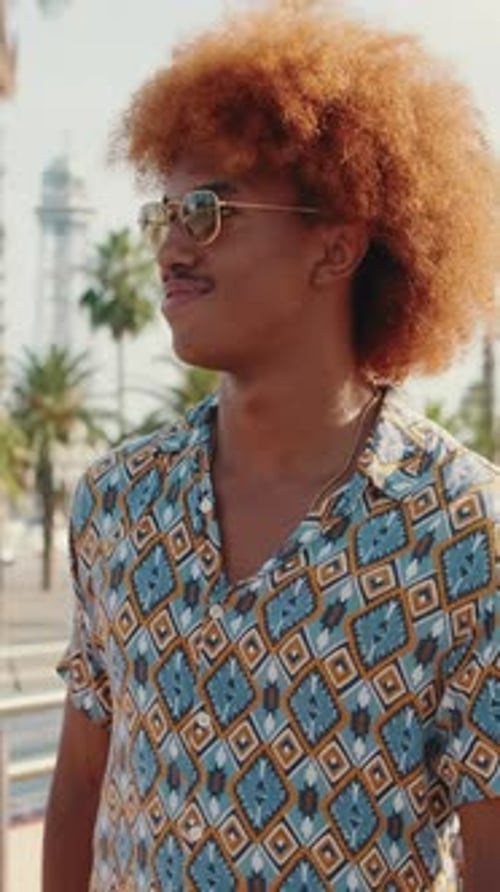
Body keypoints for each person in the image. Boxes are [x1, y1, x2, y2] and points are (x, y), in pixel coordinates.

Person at [43, 2, 499, 890]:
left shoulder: (465, 533)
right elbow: (78, 792)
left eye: (209, 211)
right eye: (166, 214)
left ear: (336, 248)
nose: (172, 249)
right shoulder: (119, 502)